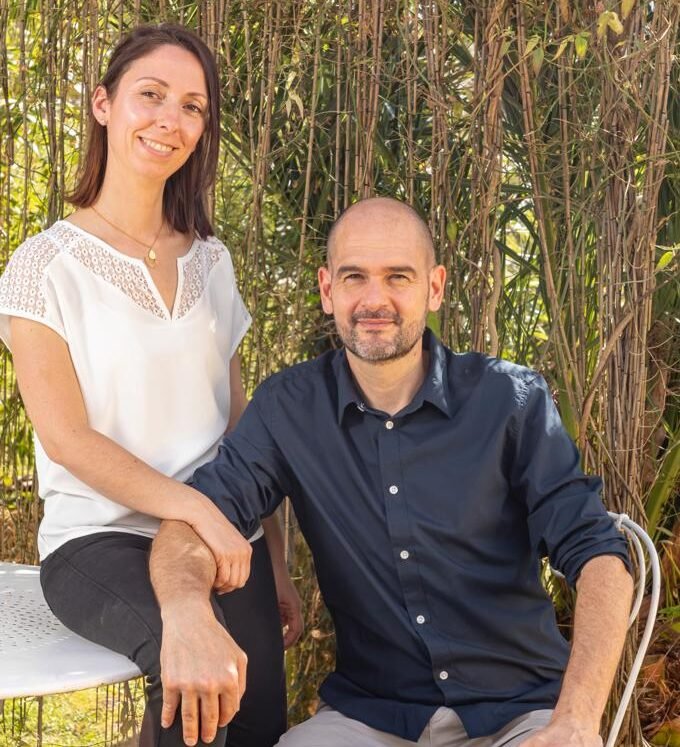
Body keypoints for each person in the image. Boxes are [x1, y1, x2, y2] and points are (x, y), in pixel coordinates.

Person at [151, 196, 634, 747]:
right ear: (327, 289)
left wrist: (575, 720)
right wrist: (186, 612)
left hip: (518, 715)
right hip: (374, 717)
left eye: (398, 277)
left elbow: (600, 557)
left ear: (434, 287)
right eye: (355, 277)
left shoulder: (510, 400)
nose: (374, 300)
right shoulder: (290, 408)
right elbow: (194, 520)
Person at [0, 23, 301, 747]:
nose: (172, 120)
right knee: (194, 669)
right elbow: (67, 439)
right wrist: (200, 510)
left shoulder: (213, 262)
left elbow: (239, 434)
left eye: (193, 106)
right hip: (101, 540)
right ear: (104, 104)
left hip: (225, 534)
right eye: (152, 95)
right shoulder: (43, 268)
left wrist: (277, 562)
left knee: (259, 727)